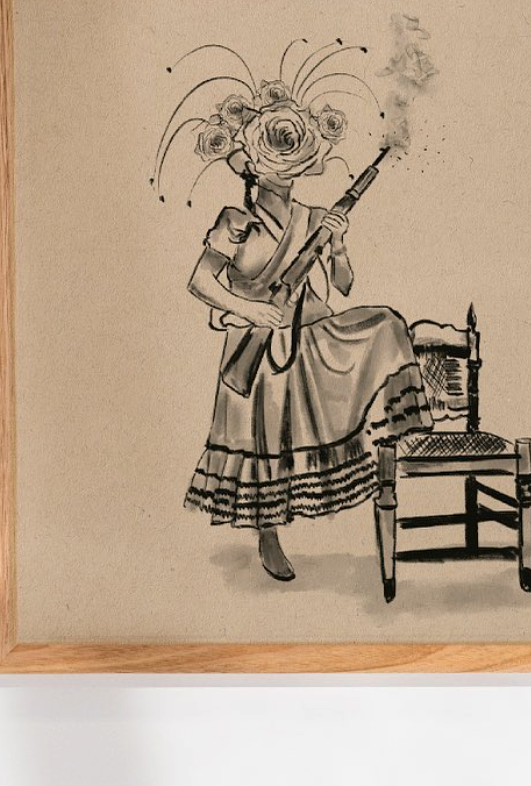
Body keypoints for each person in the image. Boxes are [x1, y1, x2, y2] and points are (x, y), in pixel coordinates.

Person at [183, 150, 432, 582]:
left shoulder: (313, 218)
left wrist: (337, 243)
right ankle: (268, 533)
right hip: (256, 345)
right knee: (264, 443)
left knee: (388, 324)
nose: (286, 175)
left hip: (313, 336)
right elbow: (200, 281)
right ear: (255, 170)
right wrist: (251, 310)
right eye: (276, 164)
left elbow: (344, 285)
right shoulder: (236, 221)